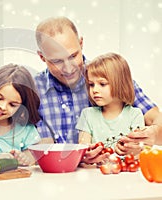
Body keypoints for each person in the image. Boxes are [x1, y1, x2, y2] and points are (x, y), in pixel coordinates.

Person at [34, 16, 162, 164]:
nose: (68, 68)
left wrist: (154, 133)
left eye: (73, 56)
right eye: (57, 61)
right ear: (42, 57)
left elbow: (156, 118)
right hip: (54, 178)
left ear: (81, 44)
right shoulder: (33, 90)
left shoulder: (110, 77)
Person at [76, 53, 145, 157]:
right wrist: (89, 153)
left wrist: (131, 150)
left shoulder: (134, 115)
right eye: (91, 84)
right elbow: (83, 150)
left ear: (120, 84)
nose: (94, 90)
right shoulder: (87, 115)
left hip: (126, 172)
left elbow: (139, 150)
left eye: (102, 84)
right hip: (94, 172)